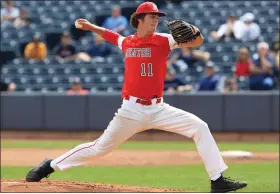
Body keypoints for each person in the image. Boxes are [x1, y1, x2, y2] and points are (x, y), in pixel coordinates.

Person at [25, 2, 247, 193]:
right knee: (99, 148)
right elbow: (112, 36)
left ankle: (217, 180)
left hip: (159, 109)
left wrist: (196, 31)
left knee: (200, 127)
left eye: (158, 18)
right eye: (152, 17)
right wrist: (91, 26)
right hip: (131, 110)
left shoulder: (164, 40)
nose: (156, 21)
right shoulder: (128, 42)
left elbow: (197, 42)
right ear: (140, 18)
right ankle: (50, 165)